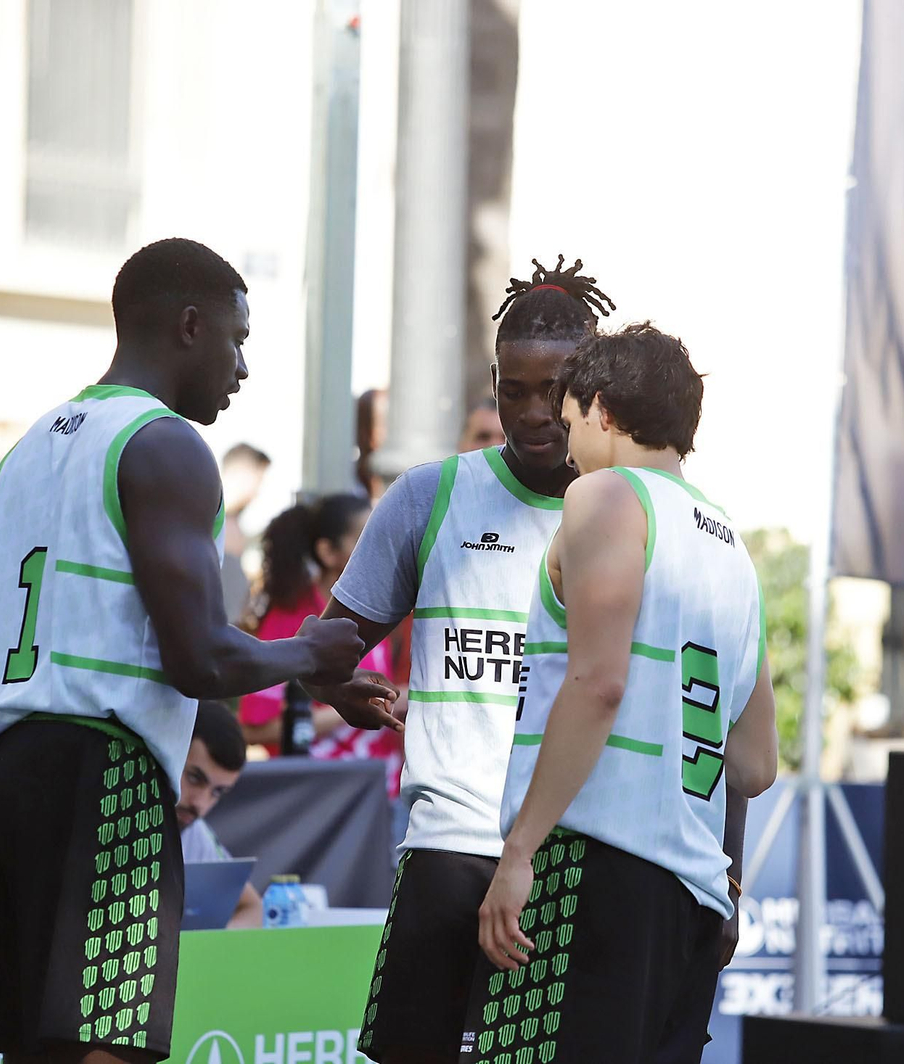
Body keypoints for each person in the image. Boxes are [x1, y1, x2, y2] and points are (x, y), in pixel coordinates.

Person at [0, 237, 366, 1064]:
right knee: (109, 1045)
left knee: (28, 1046)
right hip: (101, 767)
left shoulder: (28, 449)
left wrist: (303, 668)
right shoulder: (164, 444)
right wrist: (309, 653)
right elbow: (200, 660)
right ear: (191, 326)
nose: (242, 368)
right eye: (238, 340)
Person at [307, 256, 623, 1064]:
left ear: (592, 386)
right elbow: (330, 645)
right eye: (513, 391)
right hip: (448, 846)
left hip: (571, 854)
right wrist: (335, 685)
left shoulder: (634, 513)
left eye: (553, 390)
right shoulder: (429, 495)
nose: (532, 413)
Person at [466, 322, 777, 1064]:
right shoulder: (732, 546)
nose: (566, 446)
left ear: (601, 408)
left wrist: (518, 851)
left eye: (570, 419)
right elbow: (755, 765)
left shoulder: (606, 496)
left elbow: (598, 684)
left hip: (591, 868)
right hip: (693, 897)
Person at [239, 494, 403, 790]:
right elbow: (253, 730)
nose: (383, 549)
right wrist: (350, 707)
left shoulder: (382, 610)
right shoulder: (290, 619)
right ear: (328, 552)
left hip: (379, 792)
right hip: (319, 799)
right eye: (366, 539)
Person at [178, 702, 262, 929]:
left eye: (217, 792)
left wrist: (208, 945)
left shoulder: (194, 831)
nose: (200, 803)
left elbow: (252, 907)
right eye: (194, 778)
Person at [219, 443, 272, 620]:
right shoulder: (212, 522)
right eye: (258, 480)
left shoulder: (233, 523)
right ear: (241, 474)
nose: (257, 492)